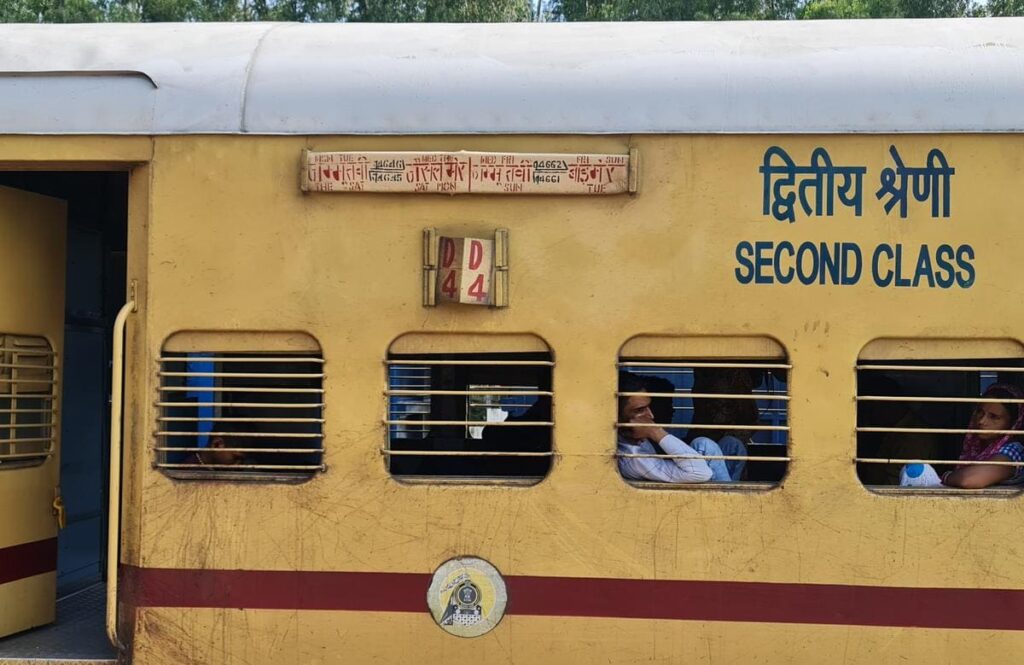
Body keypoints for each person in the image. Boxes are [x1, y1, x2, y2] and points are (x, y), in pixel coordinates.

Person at [616, 372, 734, 483]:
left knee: (730, 445)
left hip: (678, 474)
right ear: (617, 414)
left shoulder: (632, 437)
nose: (651, 415)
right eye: (640, 410)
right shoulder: (633, 458)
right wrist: (656, 431)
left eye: (649, 407)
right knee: (706, 445)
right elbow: (701, 473)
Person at [901, 383, 1024, 489]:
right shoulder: (980, 447)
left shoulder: (1013, 451)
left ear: (1013, 423)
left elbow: (969, 479)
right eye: (980, 412)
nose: (981, 421)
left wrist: (944, 477)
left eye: (994, 417)